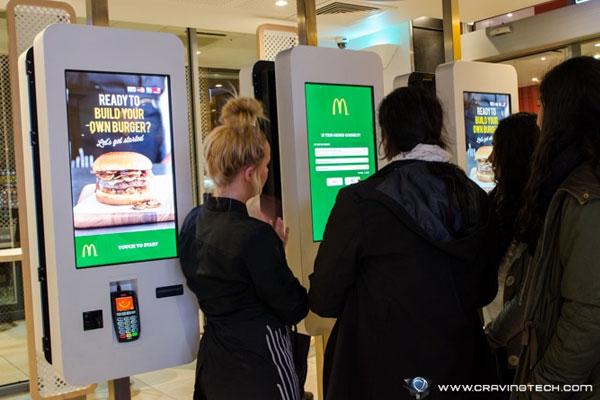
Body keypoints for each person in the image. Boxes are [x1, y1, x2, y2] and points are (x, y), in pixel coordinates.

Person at [309, 86, 500, 400]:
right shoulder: (476, 197)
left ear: (386, 137)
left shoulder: (360, 202)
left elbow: (324, 298)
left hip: (380, 373)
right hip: (461, 368)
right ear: (438, 130)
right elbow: (485, 290)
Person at [179, 97, 309, 400]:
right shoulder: (255, 236)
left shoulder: (193, 221)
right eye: (265, 167)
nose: (266, 174)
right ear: (250, 173)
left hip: (214, 362)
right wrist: (277, 250)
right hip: (261, 366)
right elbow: (293, 306)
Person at [510, 56, 600, 398]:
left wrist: (542, 385)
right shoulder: (575, 182)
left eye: (543, 105)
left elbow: (589, 313)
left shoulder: (584, 193)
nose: (538, 117)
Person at [483, 113, 540, 386]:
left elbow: (527, 297)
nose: (490, 159)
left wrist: (493, 336)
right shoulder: (495, 205)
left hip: (519, 350)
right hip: (500, 345)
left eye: (497, 149)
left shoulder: (538, 214)